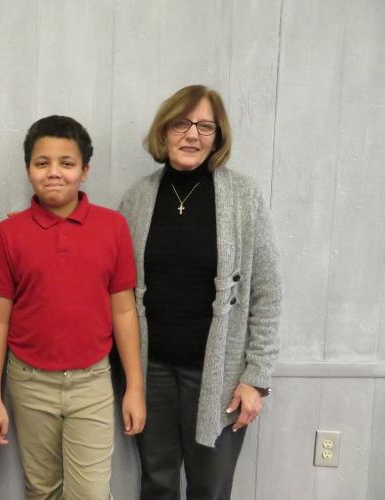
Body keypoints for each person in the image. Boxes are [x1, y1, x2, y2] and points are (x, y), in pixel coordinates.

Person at [118, 84, 282, 500]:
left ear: (218, 137)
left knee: (210, 487)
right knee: (156, 482)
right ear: (164, 130)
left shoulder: (243, 196)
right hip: (150, 370)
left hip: (220, 375)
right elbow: (113, 280)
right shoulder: (138, 198)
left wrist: (256, 378)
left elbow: (267, 291)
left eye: (205, 126)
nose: (192, 135)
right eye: (182, 123)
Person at [0, 115, 146, 499]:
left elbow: (123, 311)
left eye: (67, 163)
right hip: (28, 382)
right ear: (28, 170)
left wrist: (134, 387)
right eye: (42, 163)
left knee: (89, 492)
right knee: (42, 490)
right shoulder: (9, 233)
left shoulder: (112, 227)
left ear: (84, 171)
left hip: (92, 382)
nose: (54, 172)